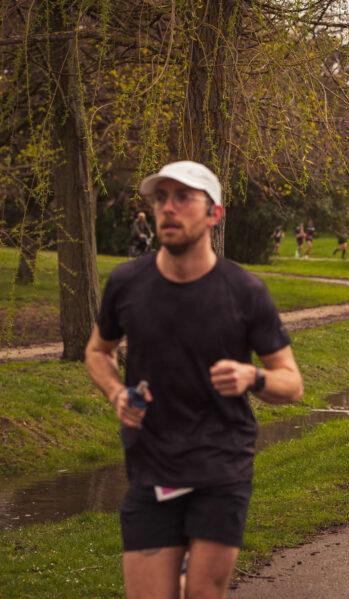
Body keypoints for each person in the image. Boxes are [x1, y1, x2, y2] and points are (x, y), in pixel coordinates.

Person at [84, 160, 303, 598]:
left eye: (183, 198)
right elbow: (97, 351)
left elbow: (291, 384)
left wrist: (251, 375)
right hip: (152, 465)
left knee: (203, 593)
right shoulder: (127, 283)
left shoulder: (245, 291)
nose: (168, 208)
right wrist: (115, 392)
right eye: (161, 198)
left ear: (213, 214)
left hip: (220, 465)